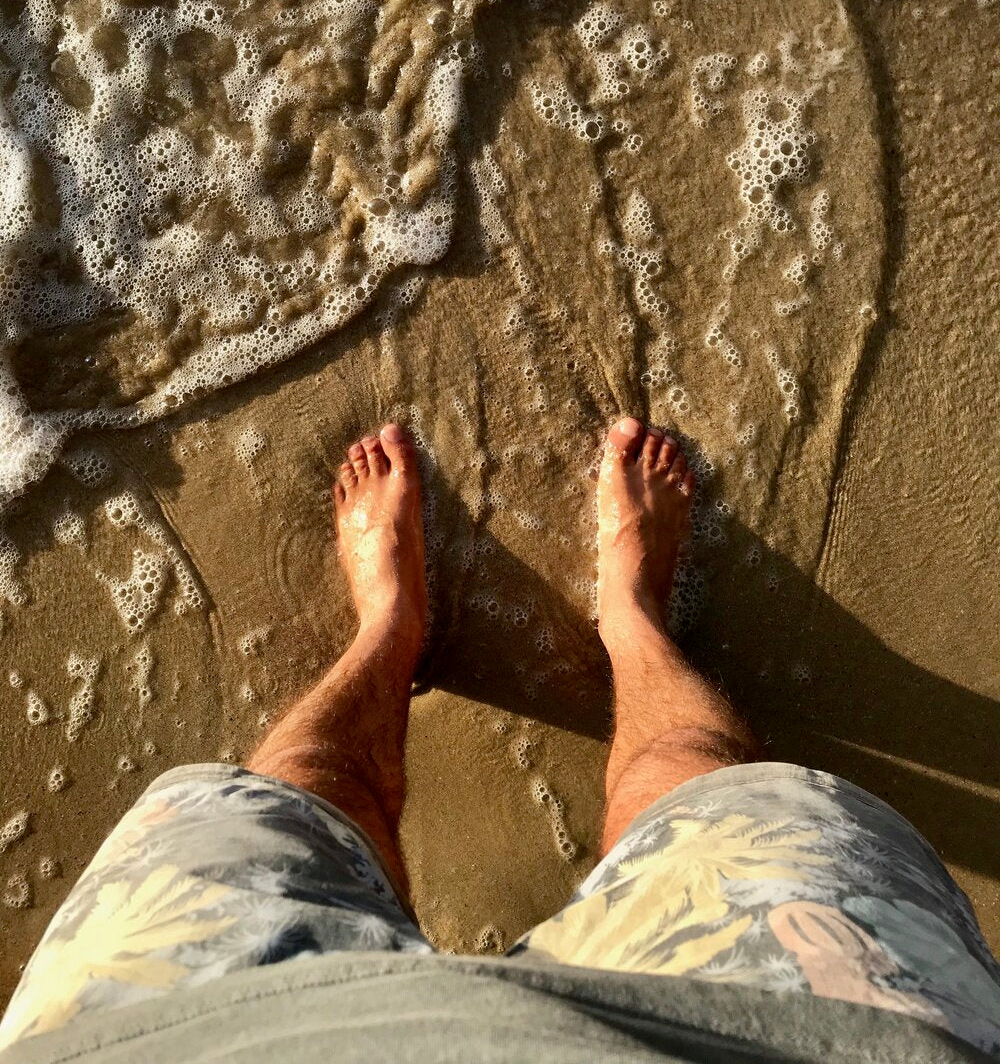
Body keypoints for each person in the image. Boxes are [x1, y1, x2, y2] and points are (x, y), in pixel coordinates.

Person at [1, 419, 999, 1062]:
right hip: (784, 1036)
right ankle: (620, 613)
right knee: (690, 780)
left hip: (184, 1037)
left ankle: (396, 626)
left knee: (302, 796)